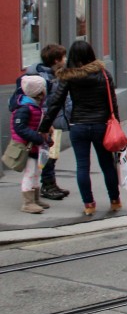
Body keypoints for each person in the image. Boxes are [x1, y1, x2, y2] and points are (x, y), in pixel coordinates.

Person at [39, 40, 121, 217]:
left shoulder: (69, 77)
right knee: (107, 164)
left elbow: (55, 103)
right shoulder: (103, 74)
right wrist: (118, 127)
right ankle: (115, 201)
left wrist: (44, 127)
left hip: (79, 125)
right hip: (101, 125)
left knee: (82, 166)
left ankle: (89, 204)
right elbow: (112, 103)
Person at [24, 44, 71, 200]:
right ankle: (47, 186)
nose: (65, 59)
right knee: (48, 156)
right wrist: (46, 122)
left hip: (54, 120)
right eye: (63, 57)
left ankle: (51, 183)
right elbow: (43, 102)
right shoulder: (44, 78)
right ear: (56, 60)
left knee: (53, 154)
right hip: (48, 123)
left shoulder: (55, 74)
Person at [11, 76, 50, 214]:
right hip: (27, 146)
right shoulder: (25, 108)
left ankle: (35, 199)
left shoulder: (34, 106)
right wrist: (38, 138)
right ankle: (27, 203)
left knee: (36, 172)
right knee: (30, 173)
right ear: (39, 92)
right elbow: (19, 128)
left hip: (34, 145)